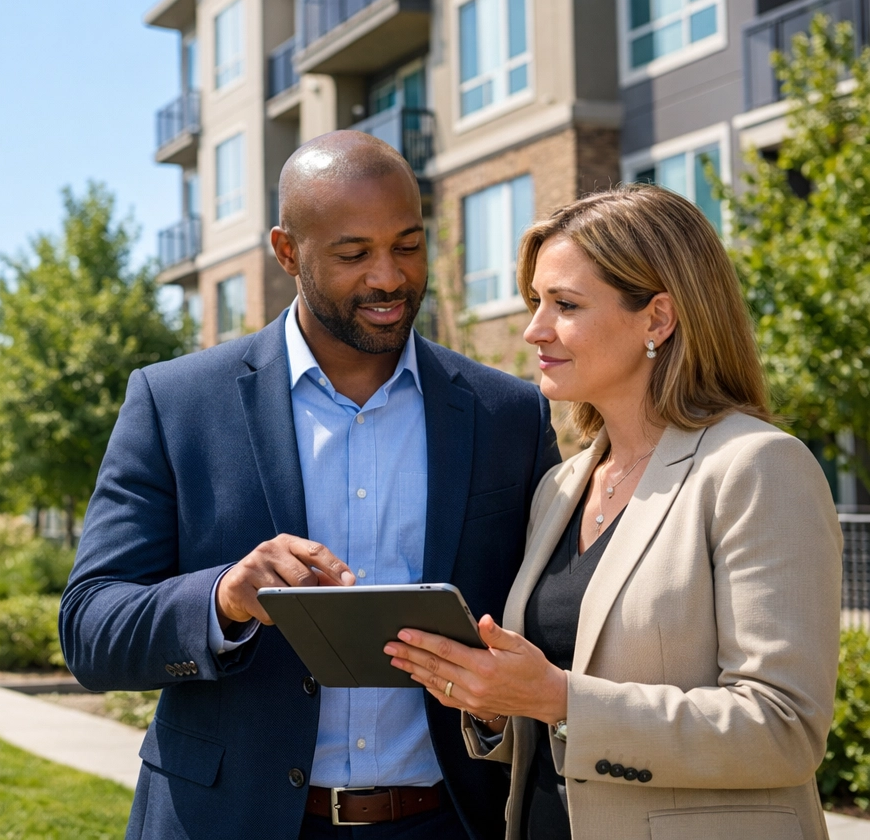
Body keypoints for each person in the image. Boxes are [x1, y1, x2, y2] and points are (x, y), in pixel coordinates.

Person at [60, 130, 560, 839]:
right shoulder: (175, 404)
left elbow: (550, 625)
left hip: (448, 821)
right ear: (287, 252)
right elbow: (91, 630)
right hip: (231, 822)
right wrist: (224, 597)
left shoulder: (508, 414)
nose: (389, 277)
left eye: (408, 245)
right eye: (353, 254)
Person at [384, 184, 842, 840]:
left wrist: (558, 697)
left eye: (565, 305)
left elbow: (784, 729)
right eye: (536, 302)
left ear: (658, 319)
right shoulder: (560, 487)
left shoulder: (757, 467)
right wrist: (494, 706)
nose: (535, 330)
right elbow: (557, 727)